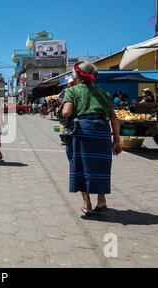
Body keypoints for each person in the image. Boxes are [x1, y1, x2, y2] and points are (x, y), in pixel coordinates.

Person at [61, 61, 122, 216]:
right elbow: (114, 119)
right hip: (102, 132)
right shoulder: (104, 93)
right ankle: (101, 200)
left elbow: (67, 112)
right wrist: (116, 141)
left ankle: (87, 204)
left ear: (77, 75)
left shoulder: (72, 91)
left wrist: (63, 108)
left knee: (81, 166)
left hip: (82, 131)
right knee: (100, 165)